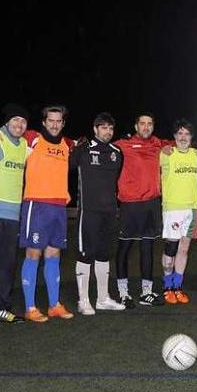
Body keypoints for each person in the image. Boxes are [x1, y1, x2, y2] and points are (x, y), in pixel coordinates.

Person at [19, 105, 75, 322]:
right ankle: (30, 307)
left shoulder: (66, 145)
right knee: (33, 254)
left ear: (63, 123)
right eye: (50, 120)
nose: (54, 124)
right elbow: (8, 131)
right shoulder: (32, 138)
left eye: (58, 121)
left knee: (54, 254)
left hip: (59, 206)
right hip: (37, 205)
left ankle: (54, 305)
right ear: (43, 122)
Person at [71, 113, 126, 314]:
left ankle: (103, 298)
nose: (108, 132)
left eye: (111, 128)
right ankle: (83, 300)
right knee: (86, 255)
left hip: (110, 212)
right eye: (103, 128)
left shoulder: (117, 152)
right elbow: (69, 165)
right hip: (89, 212)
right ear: (95, 129)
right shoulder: (84, 150)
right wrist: (76, 146)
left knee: (104, 255)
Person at [0, 104, 30, 324]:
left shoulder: (24, 145)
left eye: (23, 121)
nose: (19, 125)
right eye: (15, 120)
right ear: (6, 122)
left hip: (14, 215)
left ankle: (0, 306)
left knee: (7, 263)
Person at [115, 112, 169, 307]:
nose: (146, 127)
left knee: (148, 246)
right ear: (136, 126)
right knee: (125, 247)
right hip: (130, 204)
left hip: (152, 203)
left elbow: (178, 142)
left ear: (153, 127)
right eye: (142, 124)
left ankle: (146, 292)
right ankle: (123, 292)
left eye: (149, 124)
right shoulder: (123, 145)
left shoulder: (158, 144)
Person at [160, 119, 197, 304]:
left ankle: (178, 286)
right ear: (174, 137)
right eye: (179, 133)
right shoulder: (166, 154)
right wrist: (164, 147)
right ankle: (167, 286)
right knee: (171, 250)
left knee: (184, 248)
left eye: (186, 134)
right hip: (172, 208)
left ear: (191, 137)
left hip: (192, 208)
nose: (183, 137)